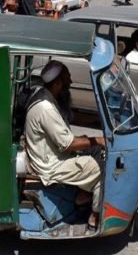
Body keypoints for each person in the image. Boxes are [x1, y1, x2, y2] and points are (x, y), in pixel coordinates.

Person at [24, 60, 105, 231]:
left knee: (95, 149)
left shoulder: (49, 97)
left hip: (54, 153)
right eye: (68, 79)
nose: (71, 83)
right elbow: (68, 144)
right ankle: (95, 215)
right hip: (51, 165)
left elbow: (71, 117)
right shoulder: (46, 108)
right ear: (58, 83)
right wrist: (98, 140)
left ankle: (84, 195)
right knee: (103, 168)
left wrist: (97, 119)